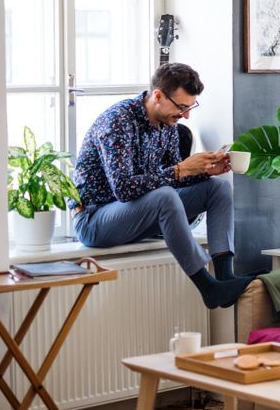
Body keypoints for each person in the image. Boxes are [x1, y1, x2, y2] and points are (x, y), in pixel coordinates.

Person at [70, 63, 254, 309]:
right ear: (157, 95)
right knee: (165, 196)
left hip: (138, 216)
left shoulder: (167, 126)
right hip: (95, 219)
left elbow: (173, 177)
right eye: (181, 107)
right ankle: (207, 288)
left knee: (217, 189)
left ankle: (224, 277)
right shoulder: (117, 122)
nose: (186, 115)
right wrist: (182, 169)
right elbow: (123, 189)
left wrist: (203, 171)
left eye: (190, 107)